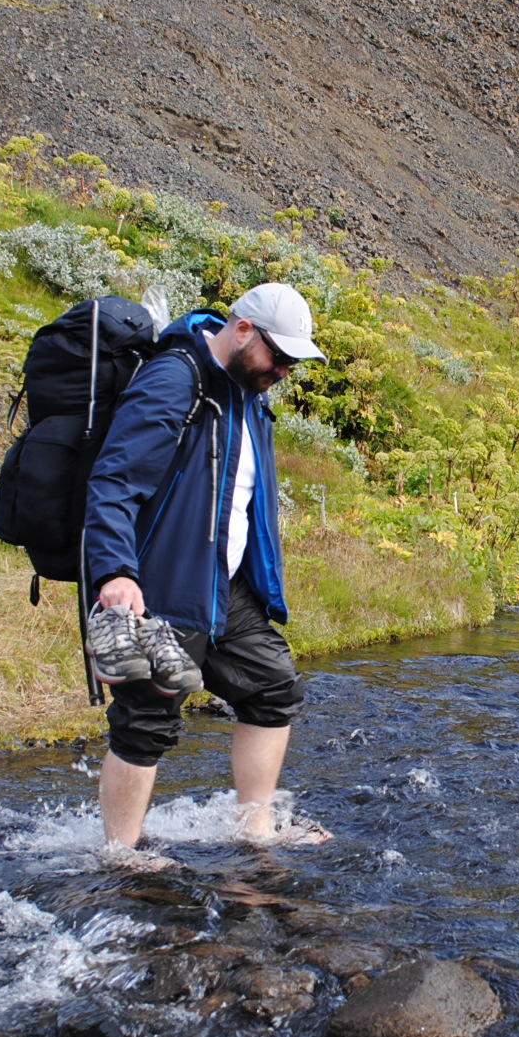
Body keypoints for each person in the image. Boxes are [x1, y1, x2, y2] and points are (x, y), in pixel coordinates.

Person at [81, 281, 326, 847]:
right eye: (278, 356)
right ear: (242, 330)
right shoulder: (175, 379)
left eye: (292, 362)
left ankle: (254, 830)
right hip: (166, 583)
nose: (283, 370)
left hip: (223, 584)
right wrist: (115, 572)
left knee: (272, 689)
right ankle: (120, 853)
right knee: (148, 718)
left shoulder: (247, 392)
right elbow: (114, 481)